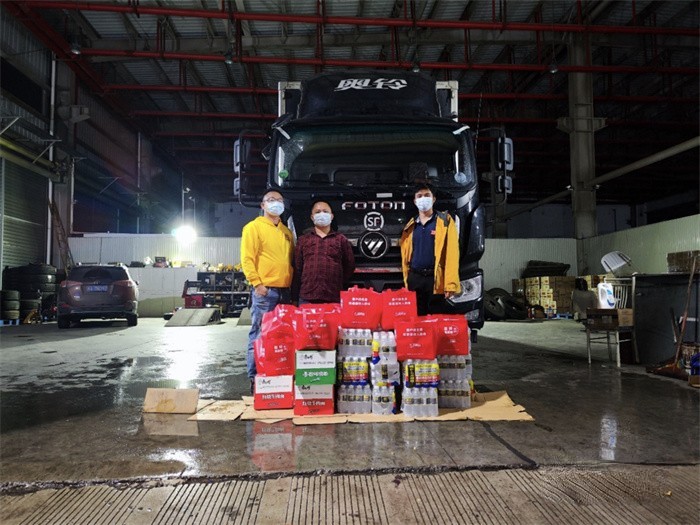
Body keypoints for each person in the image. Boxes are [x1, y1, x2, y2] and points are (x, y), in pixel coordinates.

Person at [240, 190, 294, 389]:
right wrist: (257, 283)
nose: (276, 203)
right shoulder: (253, 228)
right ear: (262, 205)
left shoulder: (286, 232)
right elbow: (247, 259)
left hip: (285, 291)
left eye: (279, 200)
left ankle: (277, 375)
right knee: (259, 334)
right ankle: (255, 378)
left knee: (282, 336)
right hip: (266, 291)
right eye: (271, 200)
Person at [400, 182, 460, 315]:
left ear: (433, 199)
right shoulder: (410, 226)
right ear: (415, 201)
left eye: (427, 195)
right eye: (419, 196)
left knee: (436, 318)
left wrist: (450, 284)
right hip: (415, 278)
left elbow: (452, 254)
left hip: (435, 279)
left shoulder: (445, 221)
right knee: (416, 318)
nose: (423, 199)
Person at [291, 200, 355, 304]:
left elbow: (349, 266)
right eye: (317, 212)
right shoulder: (303, 240)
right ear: (312, 217)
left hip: (333, 296)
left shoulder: (341, 239)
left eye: (325, 211)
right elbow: (297, 269)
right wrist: (294, 298)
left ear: (331, 216)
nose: (322, 214)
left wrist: (336, 280)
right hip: (307, 296)